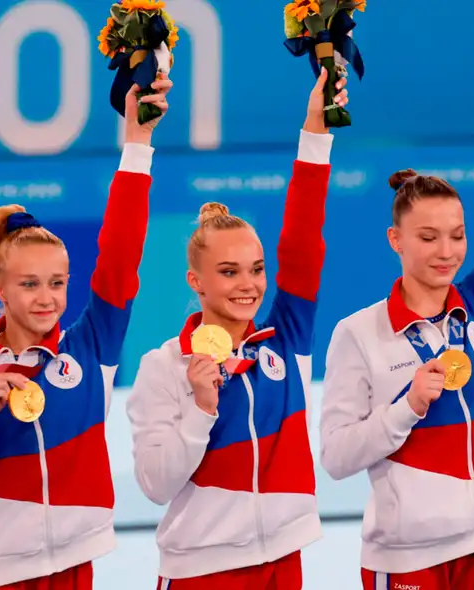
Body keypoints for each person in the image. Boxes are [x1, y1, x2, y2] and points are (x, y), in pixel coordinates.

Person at [319, 36, 474, 590]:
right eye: (429, 237)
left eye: (457, 236)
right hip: (407, 556)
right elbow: (336, 458)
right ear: (396, 240)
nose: (446, 252)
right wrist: (404, 406)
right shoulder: (359, 334)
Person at [0, 74, 172, 590]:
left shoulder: (92, 348)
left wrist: (138, 144)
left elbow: (121, 257)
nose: (47, 298)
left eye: (58, 283)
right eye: (30, 284)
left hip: (75, 563)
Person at [126, 68, 348, 590]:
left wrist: (316, 132)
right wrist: (200, 409)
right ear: (195, 282)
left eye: (256, 269)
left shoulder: (285, 343)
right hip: (200, 572)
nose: (248, 286)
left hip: (282, 562)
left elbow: (303, 242)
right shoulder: (163, 367)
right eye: (228, 273)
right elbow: (156, 486)